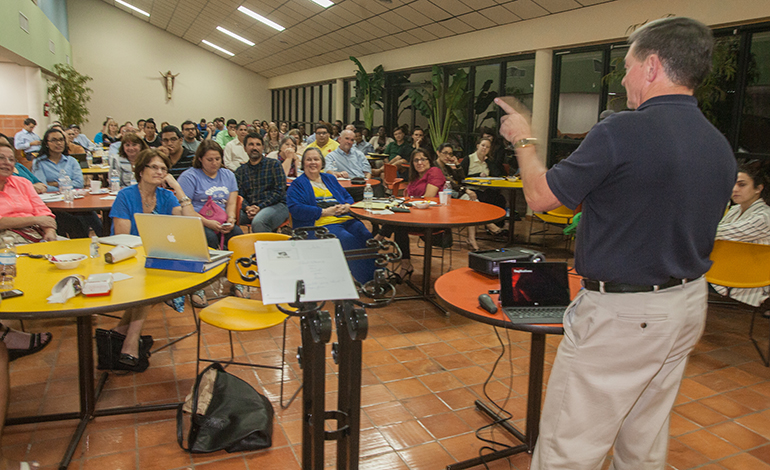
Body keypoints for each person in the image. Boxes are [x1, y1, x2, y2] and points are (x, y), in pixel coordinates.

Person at [495, 17, 736, 470]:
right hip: (685, 305)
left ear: (651, 66)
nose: (622, 77)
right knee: (642, 438)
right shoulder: (718, 143)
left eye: (626, 66)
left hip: (625, 316)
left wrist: (524, 140)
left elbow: (540, 197)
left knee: (571, 443)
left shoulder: (622, 130)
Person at [109, 149, 196, 370]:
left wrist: (177, 187)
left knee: (151, 274)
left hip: (156, 257)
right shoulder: (126, 196)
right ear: (141, 170)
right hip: (127, 256)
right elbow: (123, 237)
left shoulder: (166, 197)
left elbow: (191, 223)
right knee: (149, 279)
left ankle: (121, 332)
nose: (160, 172)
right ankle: (130, 340)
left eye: (164, 169)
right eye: (154, 167)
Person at [0, 142, 55, 362]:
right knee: (13, 258)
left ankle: (55, 303)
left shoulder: (22, 183)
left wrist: (50, 231)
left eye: (10, 159)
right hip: (7, 236)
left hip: (36, 232)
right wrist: (35, 220)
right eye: (1, 158)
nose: (6, 163)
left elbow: (44, 211)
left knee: (67, 252)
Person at [287, 147, 375, 283]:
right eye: (308, 160)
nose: (312, 163)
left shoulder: (329, 179)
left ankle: (374, 274)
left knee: (365, 235)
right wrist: (324, 212)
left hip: (344, 218)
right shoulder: (298, 184)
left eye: (316, 159)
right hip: (320, 224)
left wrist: (347, 206)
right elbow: (295, 208)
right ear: (302, 164)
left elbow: (347, 196)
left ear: (321, 163)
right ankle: (365, 279)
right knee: (347, 239)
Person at [376, 149, 445, 281]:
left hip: (433, 219)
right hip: (415, 216)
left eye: (423, 159)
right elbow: (408, 198)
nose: (420, 162)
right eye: (416, 160)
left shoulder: (434, 172)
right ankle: (405, 265)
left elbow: (428, 197)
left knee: (398, 220)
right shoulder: (415, 178)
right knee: (398, 222)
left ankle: (378, 239)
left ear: (429, 161)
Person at [712, 163, 770, 307]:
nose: (734, 189)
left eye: (742, 185)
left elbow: (717, 233)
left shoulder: (764, 217)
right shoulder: (735, 209)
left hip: (748, 280)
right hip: (728, 269)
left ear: (758, 188)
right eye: (733, 184)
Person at [33, 128, 101, 238]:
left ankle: (104, 240)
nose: (59, 143)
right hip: (53, 206)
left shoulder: (71, 161)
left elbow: (79, 183)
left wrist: (55, 184)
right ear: (47, 143)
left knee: (90, 214)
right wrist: (66, 184)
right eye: (54, 140)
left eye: (61, 140)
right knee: (76, 222)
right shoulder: (39, 163)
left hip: (73, 201)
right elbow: (42, 187)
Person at [178, 140, 243, 249]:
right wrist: (207, 222)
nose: (214, 163)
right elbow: (184, 208)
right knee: (210, 237)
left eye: (217, 159)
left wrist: (231, 218)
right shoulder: (189, 177)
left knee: (237, 235)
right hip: (197, 220)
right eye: (209, 160)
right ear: (200, 159)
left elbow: (231, 203)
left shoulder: (229, 175)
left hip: (221, 220)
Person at [235, 133, 289, 233]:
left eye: (258, 144)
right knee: (228, 217)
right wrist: (248, 208)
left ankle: (265, 248)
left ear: (263, 147)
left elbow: (279, 191)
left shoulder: (274, 165)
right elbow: (239, 195)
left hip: (276, 205)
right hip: (250, 209)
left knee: (259, 221)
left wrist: (260, 207)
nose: (254, 147)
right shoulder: (240, 171)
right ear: (245, 148)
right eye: (251, 144)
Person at [435, 143, 481, 251]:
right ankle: (487, 228)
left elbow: (461, 180)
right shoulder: (435, 167)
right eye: (445, 153)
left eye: (450, 154)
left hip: (454, 196)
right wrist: (465, 190)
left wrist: (457, 165)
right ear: (438, 153)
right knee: (473, 203)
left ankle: (472, 238)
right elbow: (449, 183)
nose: (447, 156)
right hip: (441, 198)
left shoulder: (447, 167)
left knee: (473, 203)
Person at [461, 136, 507, 237]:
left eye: (487, 147)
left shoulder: (489, 161)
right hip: (472, 189)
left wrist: (488, 162)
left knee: (500, 199)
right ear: (477, 146)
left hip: (485, 189)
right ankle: (493, 228)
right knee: (482, 200)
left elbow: (496, 174)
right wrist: (477, 175)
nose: (484, 148)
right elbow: (461, 177)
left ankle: (496, 227)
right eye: (482, 145)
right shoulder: (468, 159)